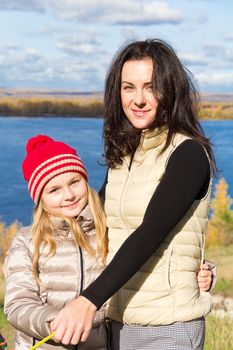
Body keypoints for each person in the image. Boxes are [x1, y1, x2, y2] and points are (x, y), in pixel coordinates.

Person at [50, 39, 217, 350]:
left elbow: (150, 232)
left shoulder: (187, 154)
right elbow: (92, 219)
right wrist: (26, 247)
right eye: (128, 87)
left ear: (170, 90)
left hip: (169, 327)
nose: (138, 99)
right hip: (119, 325)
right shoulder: (124, 157)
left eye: (150, 87)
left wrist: (88, 300)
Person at [4, 135, 108, 350]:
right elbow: (18, 305)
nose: (69, 195)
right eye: (54, 190)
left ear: (85, 181)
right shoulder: (26, 241)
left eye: (74, 182)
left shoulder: (108, 232)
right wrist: (54, 324)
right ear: (40, 198)